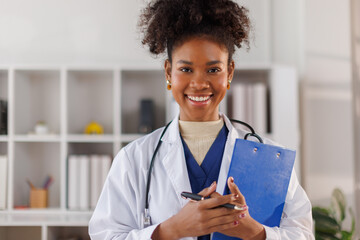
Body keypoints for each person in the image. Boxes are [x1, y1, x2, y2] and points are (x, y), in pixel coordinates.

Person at [89, 0, 314, 239]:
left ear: (230, 72)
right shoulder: (135, 159)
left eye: (213, 69)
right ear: (168, 72)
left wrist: (253, 230)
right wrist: (172, 229)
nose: (198, 83)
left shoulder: (271, 159)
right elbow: (106, 235)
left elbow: (303, 235)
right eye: (186, 69)